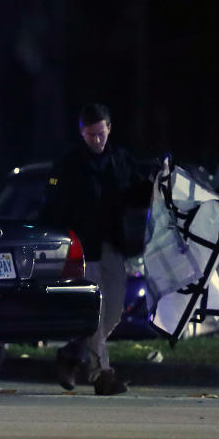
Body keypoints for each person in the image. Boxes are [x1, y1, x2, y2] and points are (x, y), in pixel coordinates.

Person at [41, 103, 152, 396]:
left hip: (113, 245)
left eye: (101, 134)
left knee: (113, 313)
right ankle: (102, 374)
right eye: (91, 135)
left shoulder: (121, 160)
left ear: (109, 128)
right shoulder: (68, 164)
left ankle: (71, 353)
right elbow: (52, 202)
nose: (97, 140)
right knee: (95, 312)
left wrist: (157, 182)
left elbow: (138, 193)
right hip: (83, 248)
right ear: (82, 133)